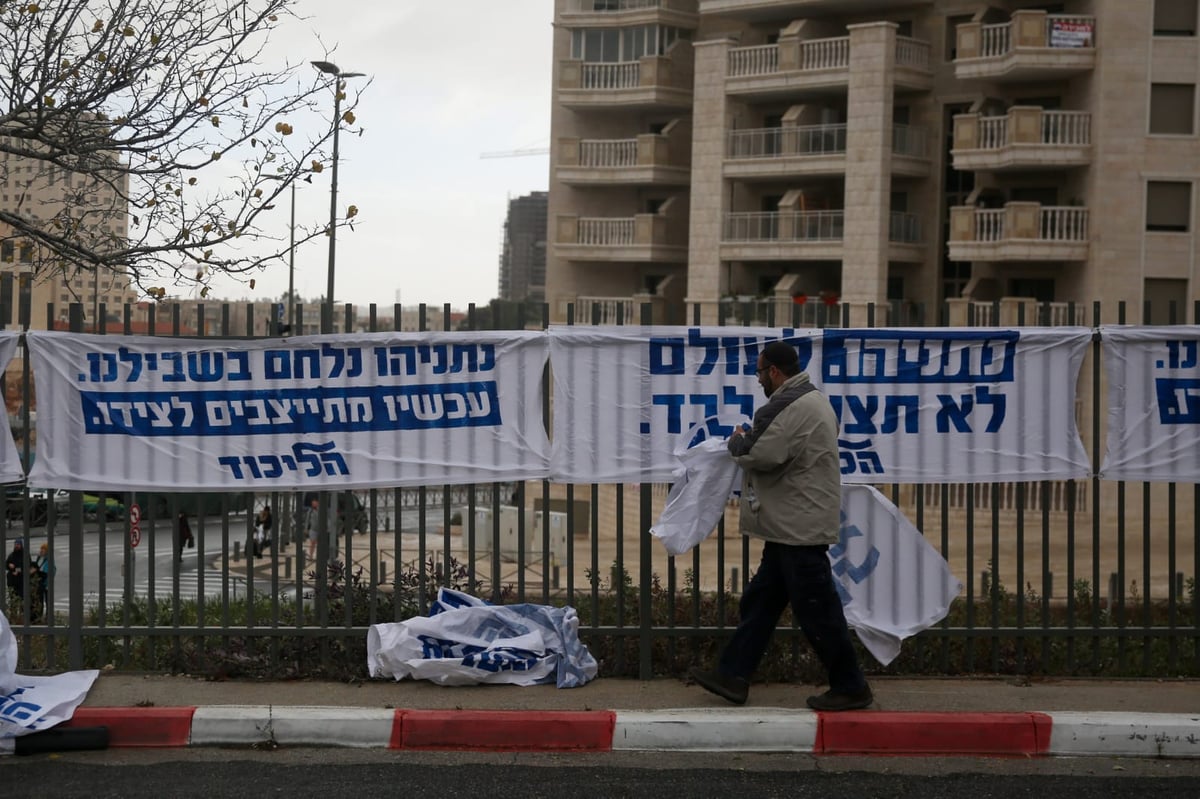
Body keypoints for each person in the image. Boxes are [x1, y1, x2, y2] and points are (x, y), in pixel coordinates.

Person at [688, 340, 873, 712]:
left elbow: (761, 452)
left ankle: (851, 686)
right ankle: (733, 675)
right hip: (792, 523)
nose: (758, 380)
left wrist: (737, 440)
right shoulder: (812, 399)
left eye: (759, 372)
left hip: (798, 527)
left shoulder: (791, 406)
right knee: (762, 603)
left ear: (774, 371)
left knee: (818, 609)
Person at [33, 542, 53, 622]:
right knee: (39, 601)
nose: (41, 550)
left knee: (48, 601)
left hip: (46, 583)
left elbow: (48, 571)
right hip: (40, 584)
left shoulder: (49, 560)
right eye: (41, 549)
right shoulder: (39, 558)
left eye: (43, 549)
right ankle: (39, 616)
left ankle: (48, 617)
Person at [5, 539, 24, 613]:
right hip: (12, 581)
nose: (16, 546)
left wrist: (17, 570)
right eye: (16, 544)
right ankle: (14, 615)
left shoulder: (24, 555)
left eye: (18, 544)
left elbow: (26, 566)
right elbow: (6, 564)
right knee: (13, 600)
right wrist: (9, 565)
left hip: (21, 581)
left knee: (22, 599)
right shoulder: (12, 555)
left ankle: (22, 615)